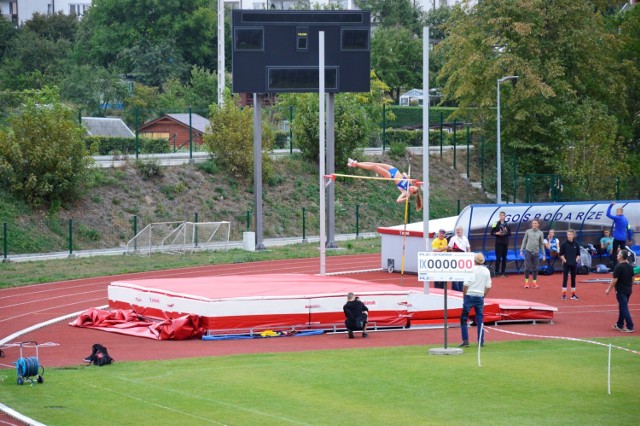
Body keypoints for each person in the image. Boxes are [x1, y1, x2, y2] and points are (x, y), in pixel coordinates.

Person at [347, 159, 422, 210]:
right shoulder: (410, 182)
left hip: (390, 176)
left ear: (411, 192)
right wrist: (406, 176)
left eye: (412, 190)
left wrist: (405, 198)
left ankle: (355, 163)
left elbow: (398, 200)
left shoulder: (405, 192)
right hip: (394, 170)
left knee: (374, 167)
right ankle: (355, 164)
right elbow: (403, 173)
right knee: (374, 164)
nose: (411, 188)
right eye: (413, 187)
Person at [459, 252, 492, 348]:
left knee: (464, 318)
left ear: (474, 261)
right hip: (480, 296)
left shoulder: (471, 270)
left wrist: (464, 295)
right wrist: (483, 295)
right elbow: (488, 286)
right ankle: (480, 341)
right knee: (480, 319)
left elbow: (465, 285)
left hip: (469, 295)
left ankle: (465, 340)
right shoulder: (486, 271)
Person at [605, 249, 634, 333]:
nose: (617, 255)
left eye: (618, 254)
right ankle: (620, 324)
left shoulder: (618, 267)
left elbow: (614, 280)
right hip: (628, 290)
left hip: (621, 290)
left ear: (621, 256)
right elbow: (632, 278)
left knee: (624, 307)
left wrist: (608, 289)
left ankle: (630, 326)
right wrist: (630, 286)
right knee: (622, 306)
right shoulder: (630, 266)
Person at [520, 219, 546, 289]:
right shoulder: (528, 232)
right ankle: (526, 282)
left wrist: (543, 254)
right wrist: (521, 250)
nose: (534, 224)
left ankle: (534, 283)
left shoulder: (540, 233)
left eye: (535, 223)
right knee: (527, 268)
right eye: (533, 223)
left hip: (536, 252)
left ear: (538, 225)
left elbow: (541, 244)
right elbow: (524, 241)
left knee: (536, 268)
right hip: (528, 251)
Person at [606, 202, 632, 266]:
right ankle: (625, 265)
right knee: (623, 252)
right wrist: (630, 238)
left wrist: (610, 205)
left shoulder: (617, 218)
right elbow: (629, 229)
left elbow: (608, 214)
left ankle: (615, 266)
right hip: (623, 238)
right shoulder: (626, 220)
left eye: (617, 211)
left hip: (617, 237)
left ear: (621, 212)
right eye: (616, 211)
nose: (616, 213)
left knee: (615, 252)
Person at [558, 229, 581, 301]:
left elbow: (578, 254)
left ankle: (573, 295)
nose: (569, 236)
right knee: (565, 279)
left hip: (574, 264)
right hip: (566, 264)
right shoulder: (564, 244)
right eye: (568, 234)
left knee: (573, 279)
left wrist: (575, 261)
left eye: (570, 235)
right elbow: (561, 254)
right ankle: (564, 295)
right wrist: (565, 261)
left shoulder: (576, 244)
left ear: (573, 235)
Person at [448, 225, 471, 291]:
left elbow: (468, 248)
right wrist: (453, 249)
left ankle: (461, 289)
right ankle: (455, 290)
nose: (457, 231)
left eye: (459, 229)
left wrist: (469, 255)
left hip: (463, 259)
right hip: (455, 259)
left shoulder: (465, 238)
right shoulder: (453, 238)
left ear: (462, 230)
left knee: (462, 275)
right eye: (457, 230)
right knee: (455, 275)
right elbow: (449, 248)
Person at [490, 211, 511, 277]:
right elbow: (491, 233)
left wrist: (506, 231)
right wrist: (497, 233)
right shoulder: (495, 223)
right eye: (501, 215)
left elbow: (510, 234)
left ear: (505, 216)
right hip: (498, 243)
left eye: (503, 215)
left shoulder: (507, 224)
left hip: (505, 243)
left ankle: (503, 272)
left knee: (504, 258)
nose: (502, 217)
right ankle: (496, 272)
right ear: (499, 216)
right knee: (498, 257)